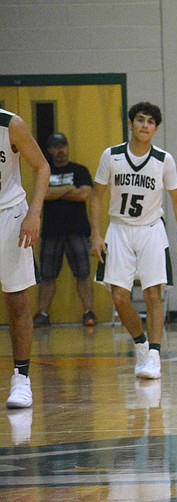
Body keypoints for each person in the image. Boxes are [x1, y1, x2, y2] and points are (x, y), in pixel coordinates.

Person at [89, 101, 177, 381]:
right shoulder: (111, 156)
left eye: (150, 122)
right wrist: (96, 234)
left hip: (150, 229)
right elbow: (95, 196)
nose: (145, 125)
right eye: (141, 120)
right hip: (119, 229)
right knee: (119, 296)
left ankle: (154, 354)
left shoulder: (163, 160)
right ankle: (140, 343)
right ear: (131, 123)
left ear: (156, 129)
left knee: (153, 294)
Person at [0, 109, 50, 409]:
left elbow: (42, 166)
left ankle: (21, 379)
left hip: (9, 215)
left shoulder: (10, 124)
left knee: (16, 300)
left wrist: (34, 212)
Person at [33, 132, 97, 328]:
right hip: (51, 232)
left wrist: (56, 192)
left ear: (67, 148)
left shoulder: (80, 170)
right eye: (55, 146)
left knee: (83, 274)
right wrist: (69, 188)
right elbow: (43, 194)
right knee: (48, 276)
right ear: (50, 150)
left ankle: (88, 313)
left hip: (77, 230)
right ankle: (42, 314)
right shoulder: (44, 171)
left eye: (63, 145)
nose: (60, 150)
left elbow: (84, 194)